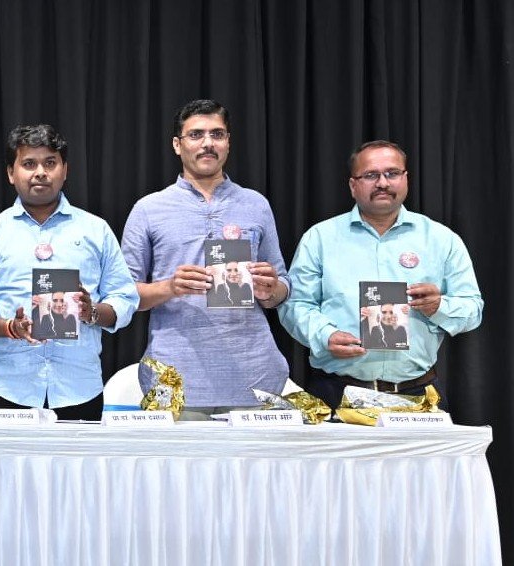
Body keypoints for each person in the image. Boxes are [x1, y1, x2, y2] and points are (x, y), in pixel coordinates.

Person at [121, 99, 292, 419]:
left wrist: (271, 289)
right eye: (196, 134)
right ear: (177, 145)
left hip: (254, 375)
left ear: (228, 142)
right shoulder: (148, 209)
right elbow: (124, 295)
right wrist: (170, 287)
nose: (208, 143)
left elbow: (282, 285)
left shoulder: (256, 204)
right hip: (176, 379)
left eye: (217, 134)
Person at [0, 124, 138, 420]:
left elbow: (125, 299)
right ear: (11, 173)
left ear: (65, 170)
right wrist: (9, 328)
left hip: (80, 388)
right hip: (9, 387)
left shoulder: (96, 230)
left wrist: (92, 312)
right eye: (29, 164)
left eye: (50, 163)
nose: (40, 172)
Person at [281, 141, 482, 407]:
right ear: (353, 185)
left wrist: (439, 307)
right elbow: (295, 305)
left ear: (406, 179)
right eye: (370, 175)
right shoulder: (320, 238)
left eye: (392, 173)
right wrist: (324, 335)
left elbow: (472, 310)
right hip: (337, 393)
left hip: (418, 394)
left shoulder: (442, 239)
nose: (383, 183)